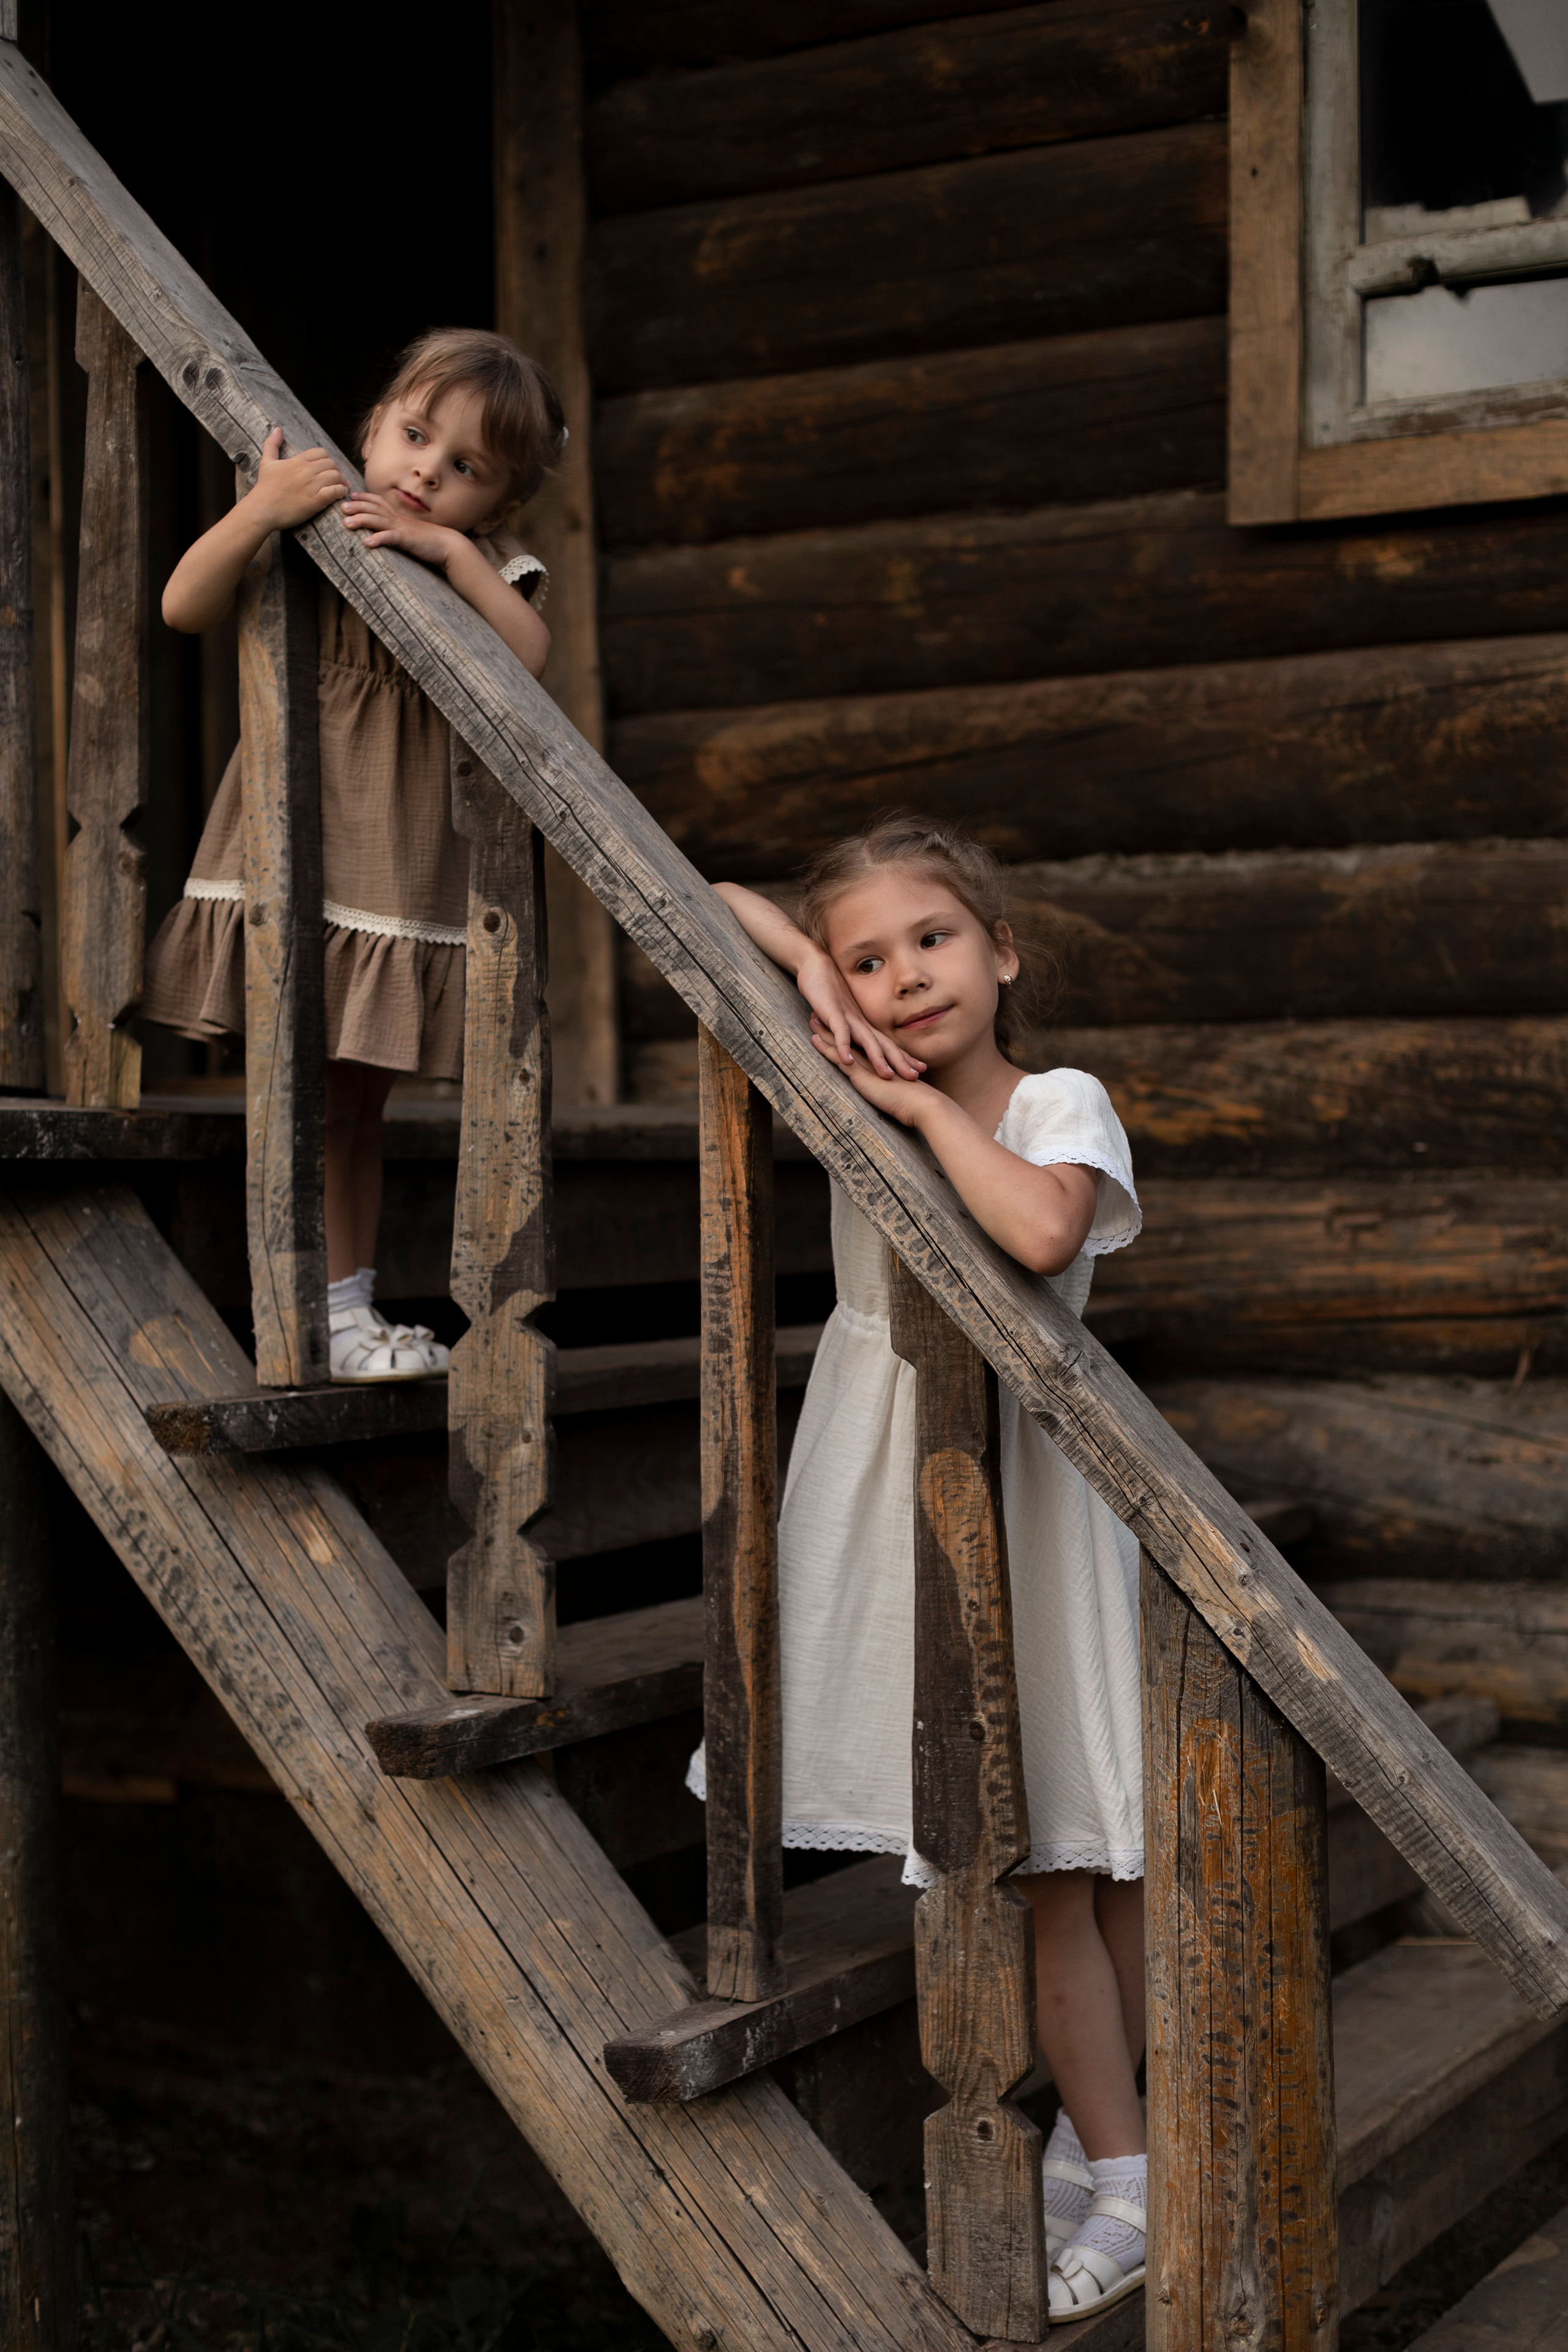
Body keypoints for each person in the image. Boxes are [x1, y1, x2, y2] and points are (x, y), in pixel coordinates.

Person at [695, 815, 1147, 2323]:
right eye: (867, 959)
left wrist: (918, 1114)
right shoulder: (847, 1052)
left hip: (1026, 1496)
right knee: (1014, 1863)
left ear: (1003, 952)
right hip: (901, 1486)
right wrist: (807, 986)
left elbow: (1031, 1231)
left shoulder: (1049, 1100)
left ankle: (1134, 2169)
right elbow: (708, 897)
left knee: (1067, 1857)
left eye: (931, 942)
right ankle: (1110, 2150)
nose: (901, 981)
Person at [142, 328, 560, 1380]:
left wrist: (455, 559)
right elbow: (183, 606)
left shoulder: (480, 567)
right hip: (305, 842)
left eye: (465, 468)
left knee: (361, 1106)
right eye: (415, 436)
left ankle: (347, 1311)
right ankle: (314, 1312)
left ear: (496, 503)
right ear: (372, 426)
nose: (425, 471)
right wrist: (260, 509)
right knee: (310, 1091)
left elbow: (530, 662)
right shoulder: (314, 518)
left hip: (400, 865)